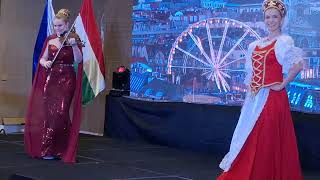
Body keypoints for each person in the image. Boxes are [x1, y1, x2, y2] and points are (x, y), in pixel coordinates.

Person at [218, 0, 304, 179]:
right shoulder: (254, 45)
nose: (271, 20)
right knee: (248, 134)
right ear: (264, 19)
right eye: (268, 17)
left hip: (273, 99)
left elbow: (298, 65)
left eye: (275, 17)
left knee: (265, 137)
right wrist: (248, 99)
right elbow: (251, 75)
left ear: (281, 20)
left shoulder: (283, 41)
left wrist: (282, 84)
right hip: (255, 98)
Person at [24, 9, 83, 163]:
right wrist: (46, 63)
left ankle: (62, 149)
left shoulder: (73, 38)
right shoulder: (50, 40)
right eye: (55, 26)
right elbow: (42, 59)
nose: (57, 29)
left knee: (61, 113)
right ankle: (48, 149)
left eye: (60, 26)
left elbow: (78, 60)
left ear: (67, 25)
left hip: (67, 78)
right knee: (49, 115)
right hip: (51, 79)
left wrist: (74, 46)